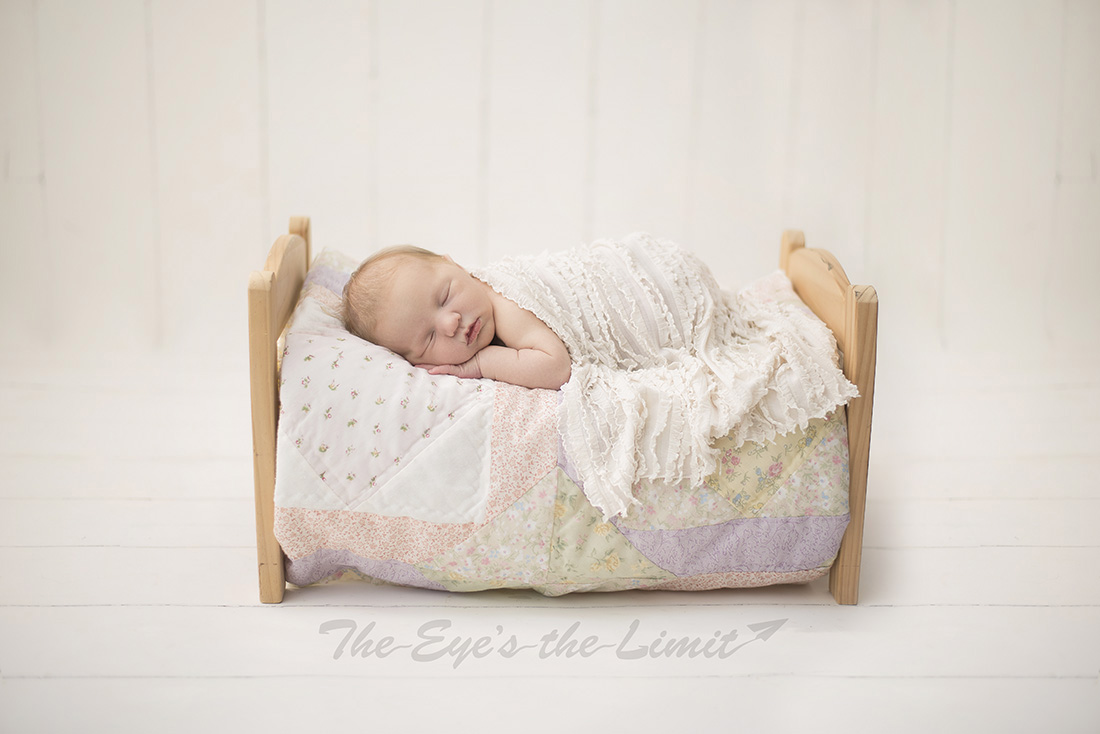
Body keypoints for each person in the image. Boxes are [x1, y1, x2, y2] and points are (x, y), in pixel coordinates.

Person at [342, 246, 571, 390]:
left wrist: (481, 363)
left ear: (455, 265)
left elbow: (557, 368)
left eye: (445, 297)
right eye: (429, 338)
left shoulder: (504, 304)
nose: (451, 324)